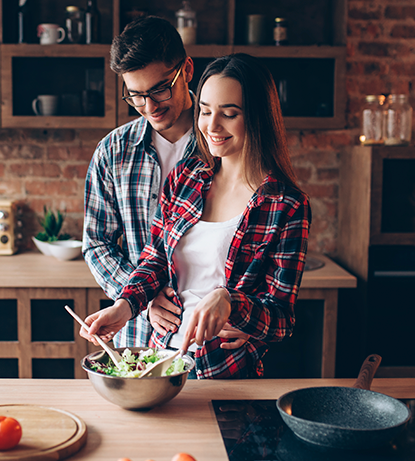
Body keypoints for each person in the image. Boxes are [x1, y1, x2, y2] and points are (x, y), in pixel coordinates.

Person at [81, 53, 310, 379]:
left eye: (229, 114)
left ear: (258, 117)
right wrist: (125, 306)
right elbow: (155, 260)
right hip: (159, 364)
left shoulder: (286, 205)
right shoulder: (185, 178)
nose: (211, 126)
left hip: (225, 372)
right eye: (204, 111)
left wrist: (230, 302)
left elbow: (281, 319)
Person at [83, 16, 197, 348]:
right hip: (137, 337)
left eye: (160, 89)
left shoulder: (222, 144)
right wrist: (141, 300)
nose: (149, 107)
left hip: (207, 340)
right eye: (136, 95)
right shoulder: (113, 151)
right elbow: (96, 243)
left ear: (187, 70)